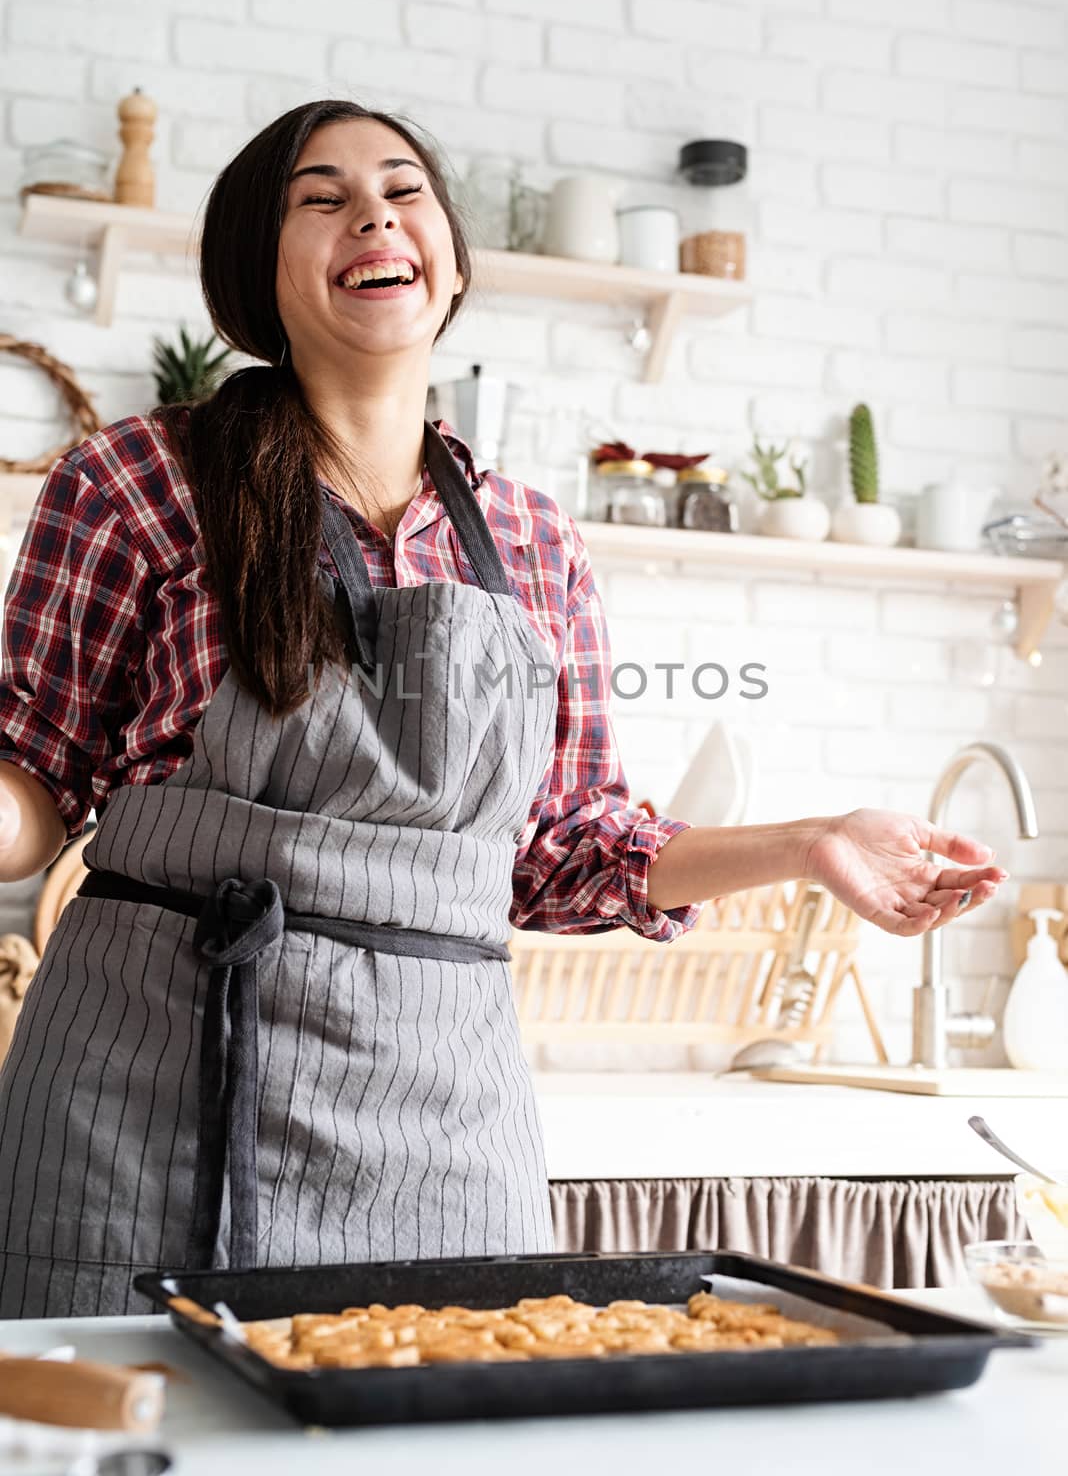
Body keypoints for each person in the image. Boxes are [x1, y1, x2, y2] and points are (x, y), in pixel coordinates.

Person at [0, 99, 1008, 1319]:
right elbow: (35, 778)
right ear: (253, 277)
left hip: (439, 1118)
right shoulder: (138, 479)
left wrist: (809, 845)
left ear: (454, 260)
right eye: (318, 198)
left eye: (403, 187)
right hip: (152, 1089)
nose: (371, 211)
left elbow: (561, 851)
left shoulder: (534, 543)